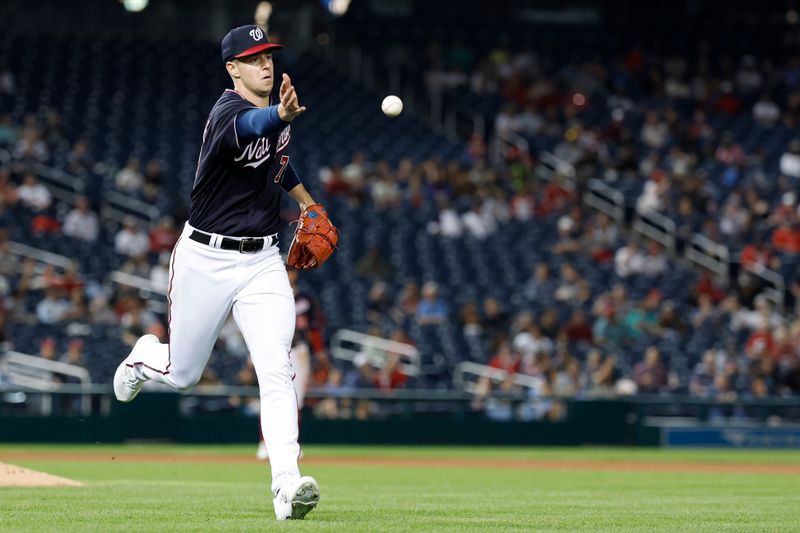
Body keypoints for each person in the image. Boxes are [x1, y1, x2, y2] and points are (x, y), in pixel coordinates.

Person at [112, 25, 323, 521]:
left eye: (268, 56)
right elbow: (252, 130)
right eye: (253, 60)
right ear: (233, 69)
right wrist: (280, 114)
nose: (265, 65)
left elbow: (278, 167)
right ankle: (145, 358)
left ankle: (286, 487)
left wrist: (311, 205)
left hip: (262, 261)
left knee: (277, 367)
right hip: (206, 259)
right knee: (183, 374)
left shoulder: (277, 114)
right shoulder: (228, 113)